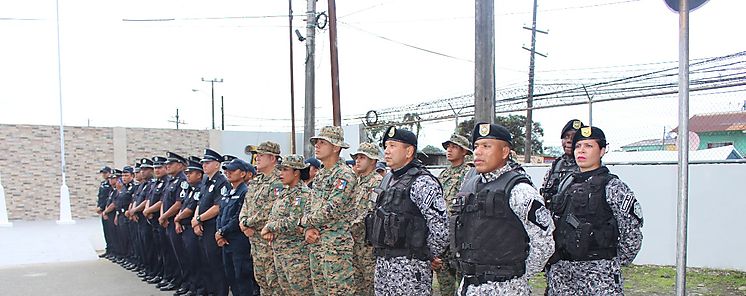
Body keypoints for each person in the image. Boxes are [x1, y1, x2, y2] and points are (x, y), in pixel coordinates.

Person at [451, 122, 555, 296]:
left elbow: (544, 243)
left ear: (505, 152)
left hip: (506, 288)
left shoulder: (520, 190)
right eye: (476, 146)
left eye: (486, 146)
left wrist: (517, 275)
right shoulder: (469, 185)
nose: (478, 151)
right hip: (469, 286)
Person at [546, 126, 644, 295]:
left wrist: (609, 264)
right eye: (578, 146)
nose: (581, 151)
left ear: (602, 151)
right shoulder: (565, 184)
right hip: (563, 275)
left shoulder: (613, 187)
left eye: (589, 146)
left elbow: (631, 235)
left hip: (599, 276)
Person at [366, 126, 448, 296]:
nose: (387, 151)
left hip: (410, 268)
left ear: (409, 151)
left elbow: (441, 228)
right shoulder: (388, 179)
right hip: (383, 264)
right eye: (386, 146)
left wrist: (424, 253)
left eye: (393, 146)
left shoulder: (422, 182)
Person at [300, 126, 358, 296]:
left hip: (335, 246)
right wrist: (308, 228)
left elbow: (332, 208)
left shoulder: (344, 174)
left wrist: (304, 222)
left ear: (336, 147)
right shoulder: (321, 174)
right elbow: (310, 203)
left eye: (322, 142)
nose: (317, 146)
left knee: (339, 291)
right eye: (316, 142)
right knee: (320, 291)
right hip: (317, 242)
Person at [260, 154, 313, 295]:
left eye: (285, 170)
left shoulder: (303, 195)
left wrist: (270, 227)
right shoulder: (284, 193)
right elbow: (273, 215)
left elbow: (293, 221)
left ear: (296, 172)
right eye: (280, 170)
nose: (280, 174)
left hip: (296, 256)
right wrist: (271, 227)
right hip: (280, 253)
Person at [239, 141, 283, 296]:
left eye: (261, 155)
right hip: (255, 242)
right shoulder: (257, 181)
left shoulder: (279, 181)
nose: (257, 158)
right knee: (261, 281)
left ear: (273, 158)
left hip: (270, 242)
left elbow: (271, 209)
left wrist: (246, 223)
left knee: (275, 284)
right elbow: (246, 204)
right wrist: (243, 222)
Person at [434, 134, 472, 296]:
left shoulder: (469, 173)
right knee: (445, 283)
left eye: (454, 147)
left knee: (464, 283)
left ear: (464, 151)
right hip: (443, 237)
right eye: (448, 147)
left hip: (460, 237)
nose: (449, 150)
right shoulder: (443, 174)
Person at [216, 159, 257, 296]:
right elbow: (221, 214)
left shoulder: (245, 192)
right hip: (225, 240)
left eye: (232, 170)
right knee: (231, 276)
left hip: (238, 241)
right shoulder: (229, 191)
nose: (228, 173)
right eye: (227, 170)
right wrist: (219, 232)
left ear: (243, 173)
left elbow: (238, 217)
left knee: (242, 277)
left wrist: (222, 231)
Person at [193, 148, 230, 296]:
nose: (204, 165)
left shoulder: (221, 182)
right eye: (203, 163)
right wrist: (196, 220)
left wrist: (199, 219)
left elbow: (218, 207)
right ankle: (211, 290)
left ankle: (220, 292)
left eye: (208, 163)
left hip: (212, 226)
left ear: (217, 165)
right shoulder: (205, 182)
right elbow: (199, 203)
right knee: (205, 262)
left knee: (216, 263)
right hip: (201, 226)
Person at [348, 143, 384, 296]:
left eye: (362, 157)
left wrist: (348, 228)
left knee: (372, 285)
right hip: (355, 243)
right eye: (357, 157)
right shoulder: (357, 182)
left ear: (373, 161)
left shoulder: (377, 182)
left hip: (368, 244)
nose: (358, 160)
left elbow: (371, 212)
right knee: (358, 285)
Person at [173, 158, 206, 296]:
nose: (187, 175)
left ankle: (199, 289)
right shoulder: (190, 189)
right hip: (184, 227)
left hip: (192, 229)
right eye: (187, 173)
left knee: (195, 261)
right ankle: (191, 286)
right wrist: (177, 220)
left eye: (190, 173)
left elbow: (190, 209)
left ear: (199, 174)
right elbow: (183, 206)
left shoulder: (199, 189)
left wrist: (177, 218)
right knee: (187, 259)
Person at [159, 152, 188, 292]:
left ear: (180, 165)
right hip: (167, 221)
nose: (167, 166)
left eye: (171, 163)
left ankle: (182, 282)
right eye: (167, 164)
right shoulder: (171, 180)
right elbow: (164, 201)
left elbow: (178, 204)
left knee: (180, 255)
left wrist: (164, 216)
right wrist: (163, 216)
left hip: (176, 222)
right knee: (170, 253)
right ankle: (173, 278)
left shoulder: (182, 180)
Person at [541, 119, 583, 209]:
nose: (569, 141)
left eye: (573, 138)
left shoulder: (588, 166)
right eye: (566, 137)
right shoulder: (556, 165)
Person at [96, 166, 114, 258]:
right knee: (106, 231)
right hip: (103, 210)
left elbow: (109, 199)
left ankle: (113, 251)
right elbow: (101, 197)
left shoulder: (111, 184)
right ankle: (108, 249)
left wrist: (103, 208)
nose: (104, 175)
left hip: (108, 210)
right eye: (103, 173)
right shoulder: (103, 184)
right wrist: (98, 207)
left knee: (111, 232)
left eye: (105, 173)